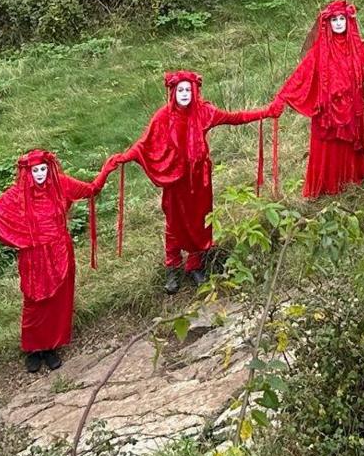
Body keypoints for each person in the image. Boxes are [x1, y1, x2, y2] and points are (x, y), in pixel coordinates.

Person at [97, 71, 275, 293]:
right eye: (180, 90)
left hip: (200, 180)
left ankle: (195, 265)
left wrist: (266, 112)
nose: (184, 94)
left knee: (199, 221)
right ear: (173, 92)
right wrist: (125, 157)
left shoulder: (204, 112)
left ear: (194, 91)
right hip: (175, 181)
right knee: (174, 223)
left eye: (187, 90)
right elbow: (144, 144)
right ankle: (172, 267)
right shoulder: (163, 117)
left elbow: (235, 117)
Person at [0, 149, 101, 373]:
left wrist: (110, 166)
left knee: (58, 301)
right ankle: (33, 348)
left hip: (60, 250)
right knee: (34, 302)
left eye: (43, 169)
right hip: (34, 257)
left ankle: (51, 347)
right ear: (27, 173)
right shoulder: (18, 195)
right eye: (35, 170)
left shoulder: (61, 184)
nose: (40, 174)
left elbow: (90, 190)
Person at [269, 0, 364, 200]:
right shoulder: (319, 51)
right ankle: (328, 187)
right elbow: (301, 75)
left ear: (348, 21)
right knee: (328, 149)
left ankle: (351, 182)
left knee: (348, 148)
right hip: (328, 113)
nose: (337, 23)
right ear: (327, 23)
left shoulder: (357, 46)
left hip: (352, 109)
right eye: (334, 19)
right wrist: (282, 98)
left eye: (341, 19)